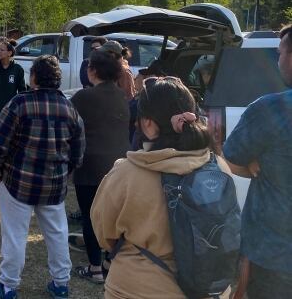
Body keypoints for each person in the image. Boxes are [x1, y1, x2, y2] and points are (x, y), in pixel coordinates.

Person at [91, 76, 232, 299]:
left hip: (136, 289)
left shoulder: (126, 173)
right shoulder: (218, 168)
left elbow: (104, 235)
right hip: (210, 289)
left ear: (147, 123)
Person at [0, 55, 85, 299]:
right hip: (53, 184)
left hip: (17, 182)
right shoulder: (70, 108)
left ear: (33, 78)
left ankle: (9, 286)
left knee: (15, 235)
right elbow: (78, 150)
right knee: (57, 234)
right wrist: (67, 173)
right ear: (57, 80)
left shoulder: (19, 103)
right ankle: (61, 283)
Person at [223, 24, 292, 299]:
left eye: (280, 53)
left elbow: (229, 157)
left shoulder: (270, 110)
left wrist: (252, 165)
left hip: (274, 258)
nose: (278, 61)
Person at [69, 49, 130, 284]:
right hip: (118, 166)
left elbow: (69, 123)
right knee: (112, 218)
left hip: (90, 166)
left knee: (90, 217)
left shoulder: (84, 97)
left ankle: (95, 268)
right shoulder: (122, 96)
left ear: (92, 71)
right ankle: (108, 261)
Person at [0, 39, 26, 135]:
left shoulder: (18, 69)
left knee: (8, 136)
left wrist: (16, 107)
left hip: (10, 111)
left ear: (9, 53)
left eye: (2, 50)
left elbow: (22, 90)